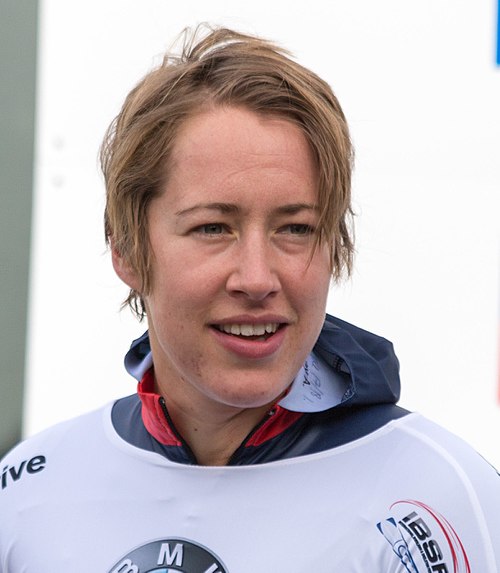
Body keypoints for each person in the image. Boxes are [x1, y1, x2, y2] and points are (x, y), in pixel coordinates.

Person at [0, 25, 499, 573]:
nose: (257, 278)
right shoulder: (28, 491)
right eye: (214, 228)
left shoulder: (438, 495)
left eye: (296, 228)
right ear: (126, 251)